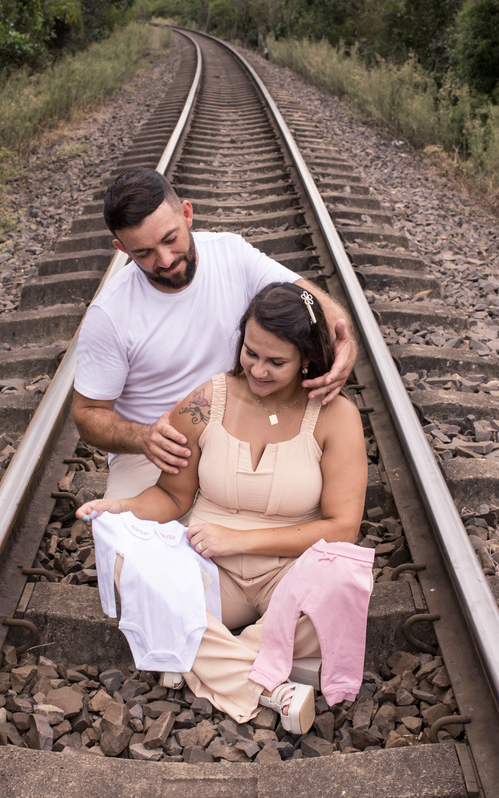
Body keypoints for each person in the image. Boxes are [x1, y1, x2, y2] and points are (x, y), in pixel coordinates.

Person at [77, 282, 369, 735]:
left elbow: (342, 528)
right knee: (126, 562)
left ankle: (195, 657)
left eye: (276, 362)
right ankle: (269, 684)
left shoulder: (337, 416)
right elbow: (173, 497)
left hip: (290, 574)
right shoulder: (205, 402)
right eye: (251, 353)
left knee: (343, 581)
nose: (259, 370)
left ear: (307, 359)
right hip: (211, 572)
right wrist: (120, 507)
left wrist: (240, 539)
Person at [72, 168, 357, 501]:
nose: (165, 260)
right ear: (122, 248)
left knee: (294, 513)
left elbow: (309, 299)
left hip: (247, 431)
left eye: (170, 239)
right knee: (129, 531)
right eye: (143, 253)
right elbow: (87, 414)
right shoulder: (109, 315)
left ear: (187, 214)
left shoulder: (231, 253)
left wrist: (343, 337)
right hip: (161, 452)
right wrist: (144, 438)